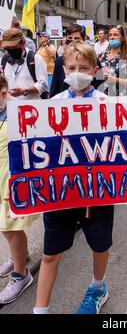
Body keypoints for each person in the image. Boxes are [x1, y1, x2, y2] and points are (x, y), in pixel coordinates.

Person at [34, 42, 113, 315]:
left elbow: (122, 154)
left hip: (96, 193)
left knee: (99, 243)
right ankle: (40, 310)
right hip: (60, 193)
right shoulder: (52, 106)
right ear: (63, 69)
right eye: (71, 67)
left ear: (95, 70)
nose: (77, 72)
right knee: (50, 253)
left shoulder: (107, 105)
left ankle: (97, 286)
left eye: (83, 68)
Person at [0, 75, 38, 304]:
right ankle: (19, 257)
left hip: (11, 178)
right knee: (5, 227)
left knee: (11, 226)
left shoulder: (19, 114)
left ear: (4, 92)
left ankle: (21, 275)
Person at [50, 24, 104, 97]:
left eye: (76, 38)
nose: (73, 41)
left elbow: (100, 82)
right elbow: (55, 84)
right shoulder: (60, 60)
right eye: (70, 38)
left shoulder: (93, 59)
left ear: (83, 39)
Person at [0, 28, 48, 100]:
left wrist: (24, 91)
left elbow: (43, 84)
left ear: (23, 43)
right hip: (10, 107)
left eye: (13, 47)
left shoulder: (35, 59)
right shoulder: (3, 60)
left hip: (32, 107)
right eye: (7, 48)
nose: (10, 50)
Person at [100, 26, 127, 96]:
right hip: (103, 98)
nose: (112, 37)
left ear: (122, 38)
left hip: (120, 99)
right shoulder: (103, 55)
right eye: (110, 35)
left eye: (115, 35)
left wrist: (112, 79)